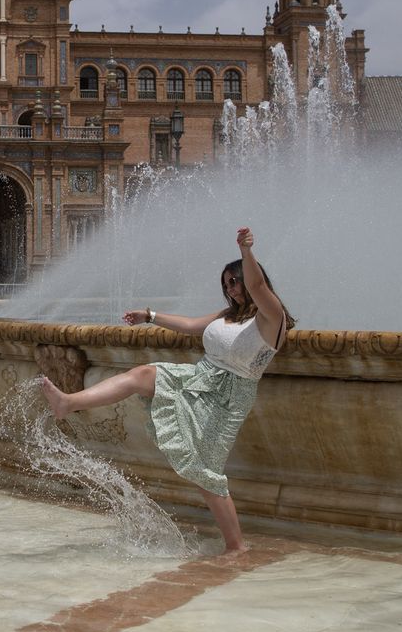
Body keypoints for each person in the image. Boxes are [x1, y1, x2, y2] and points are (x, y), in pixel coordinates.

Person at [41, 227, 294, 557]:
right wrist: (150, 316)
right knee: (142, 374)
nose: (232, 289)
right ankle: (69, 402)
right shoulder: (226, 316)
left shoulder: (272, 319)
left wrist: (246, 252)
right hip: (199, 378)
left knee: (208, 474)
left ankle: (236, 547)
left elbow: (258, 287)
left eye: (236, 281)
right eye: (226, 284)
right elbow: (190, 326)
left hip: (229, 397)